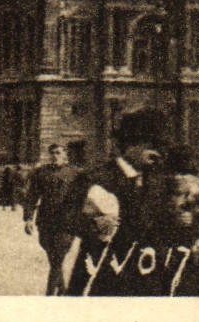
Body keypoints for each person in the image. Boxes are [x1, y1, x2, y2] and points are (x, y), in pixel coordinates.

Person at [60, 109, 167, 296]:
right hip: (102, 270)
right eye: (150, 146)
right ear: (130, 145)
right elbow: (65, 216)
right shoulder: (96, 177)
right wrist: (93, 225)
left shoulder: (156, 181)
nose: (156, 153)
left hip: (146, 273)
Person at [147, 145, 199, 296]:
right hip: (165, 274)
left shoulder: (197, 203)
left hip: (197, 277)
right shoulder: (156, 201)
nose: (179, 178)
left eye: (185, 174)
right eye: (175, 173)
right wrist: (173, 221)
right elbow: (149, 234)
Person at [23, 143, 81, 294]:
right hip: (46, 222)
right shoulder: (41, 173)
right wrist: (28, 218)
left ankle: (49, 295)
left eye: (58, 153)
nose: (55, 156)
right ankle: (62, 290)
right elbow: (31, 196)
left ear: (65, 155)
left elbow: (83, 199)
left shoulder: (75, 174)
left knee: (58, 258)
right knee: (53, 257)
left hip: (67, 222)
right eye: (52, 153)